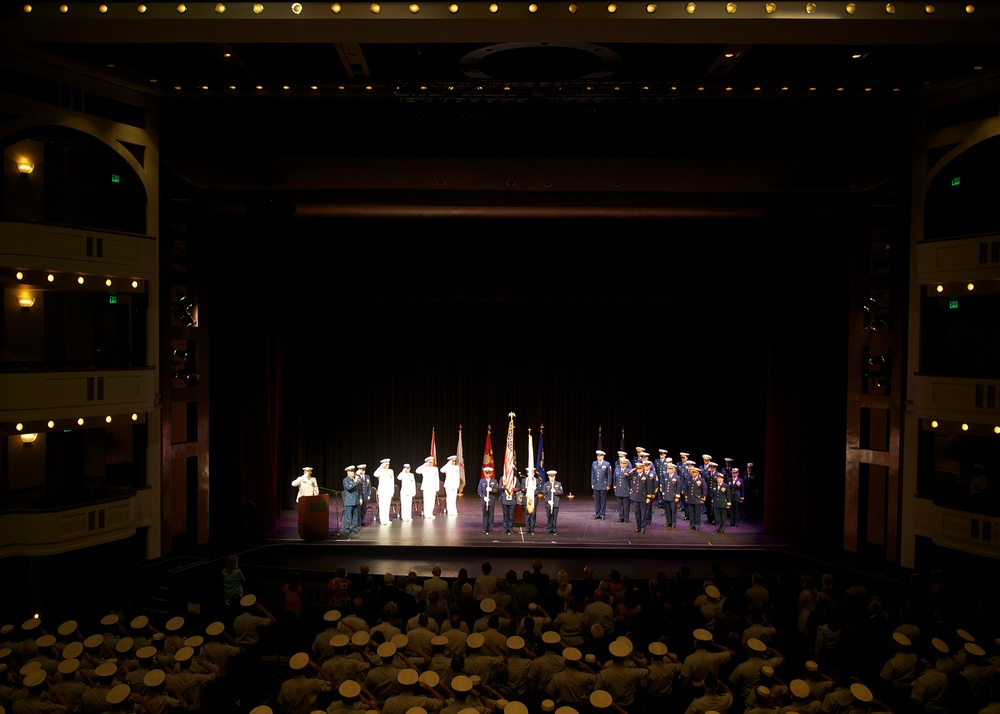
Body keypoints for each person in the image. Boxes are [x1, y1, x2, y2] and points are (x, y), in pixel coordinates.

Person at [591, 449, 613, 520]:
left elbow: (609, 475)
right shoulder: (594, 463)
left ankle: (602, 514)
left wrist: (608, 485)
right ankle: (597, 513)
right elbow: (592, 474)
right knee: (596, 500)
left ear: (603, 456)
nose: (598, 457)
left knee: (603, 500)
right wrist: (592, 483)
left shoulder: (607, 464)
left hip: (603, 485)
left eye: (600, 456)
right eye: (597, 456)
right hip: (596, 484)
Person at [613, 452, 634, 523]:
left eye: (624, 463)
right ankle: (621, 517)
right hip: (619, 489)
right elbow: (615, 479)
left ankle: (626, 518)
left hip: (626, 490)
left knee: (626, 505)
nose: (622, 464)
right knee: (620, 505)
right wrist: (615, 487)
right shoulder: (617, 470)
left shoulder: (628, 471)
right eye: (621, 463)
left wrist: (631, 489)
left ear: (626, 464)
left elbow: (631, 481)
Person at [374, 458, 395, 526]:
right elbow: (375, 474)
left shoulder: (390, 471)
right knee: (382, 506)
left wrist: (392, 491)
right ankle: (382, 520)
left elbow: (392, 482)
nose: (387, 465)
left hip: (388, 491)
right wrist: (381, 467)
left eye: (388, 464)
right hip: (382, 491)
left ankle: (387, 519)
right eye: (386, 464)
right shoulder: (380, 470)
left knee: (387, 506)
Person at [478, 467, 499, 533]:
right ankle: (485, 528)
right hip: (484, 500)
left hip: (491, 500)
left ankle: (490, 528)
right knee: (485, 514)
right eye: (486, 473)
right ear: (484, 474)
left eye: (489, 473)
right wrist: (484, 497)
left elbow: (497, 490)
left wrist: (491, 490)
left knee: (491, 515)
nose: (487, 475)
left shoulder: (494, 481)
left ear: (491, 473)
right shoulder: (482, 481)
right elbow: (479, 491)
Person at [686, 462, 706, 530]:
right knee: (691, 513)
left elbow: (704, 490)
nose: (693, 474)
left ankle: (697, 525)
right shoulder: (689, 479)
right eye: (692, 472)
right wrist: (686, 496)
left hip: (697, 499)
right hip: (691, 498)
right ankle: (691, 525)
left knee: (697, 514)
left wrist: (703, 499)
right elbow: (687, 488)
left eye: (694, 473)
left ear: (697, 473)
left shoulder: (701, 480)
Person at [342, 465, 362, 536]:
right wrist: (355, 481)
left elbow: (358, 490)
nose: (352, 473)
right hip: (349, 501)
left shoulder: (355, 479)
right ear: (347, 472)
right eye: (351, 471)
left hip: (355, 500)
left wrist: (360, 497)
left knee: (355, 516)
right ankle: (346, 529)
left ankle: (354, 528)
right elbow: (348, 488)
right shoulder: (345, 480)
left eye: (353, 471)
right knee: (347, 516)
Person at [542, 470, 563, 534]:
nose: (552, 478)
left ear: (555, 477)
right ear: (548, 477)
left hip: (555, 503)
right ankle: (549, 528)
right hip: (548, 503)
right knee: (549, 516)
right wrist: (548, 501)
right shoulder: (546, 484)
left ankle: (554, 529)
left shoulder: (558, 484)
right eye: (551, 477)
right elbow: (544, 494)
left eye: (553, 476)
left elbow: (561, 492)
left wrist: (555, 492)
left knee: (554, 516)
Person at [661, 461, 681, 528]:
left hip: (673, 496)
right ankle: (668, 522)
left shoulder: (677, 477)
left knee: (673, 510)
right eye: (669, 469)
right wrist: (663, 494)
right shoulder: (666, 476)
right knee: (667, 511)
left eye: (671, 469)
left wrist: (677, 496)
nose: (669, 470)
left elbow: (678, 487)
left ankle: (673, 523)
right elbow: (664, 485)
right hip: (667, 496)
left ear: (674, 469)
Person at [499, 470, 520, 535]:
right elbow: (500, 487)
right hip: (504, 499)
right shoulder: (503, 478)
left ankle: (510, 529)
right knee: (505, 515)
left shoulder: (515, 479)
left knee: (511, 515)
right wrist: (506, 487)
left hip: (512, 499)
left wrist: (513, 489)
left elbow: (519, 487)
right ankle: (505, 528)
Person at [712, 470, 731, 534]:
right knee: (717, 517)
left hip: (723, 503)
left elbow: (728, 495)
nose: (718, 479)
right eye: (718, 478)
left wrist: (728, 503)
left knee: (723, 517)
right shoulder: (714, 485)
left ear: (722, 479)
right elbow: (713, 494)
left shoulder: (726, 486)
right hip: (716, 503)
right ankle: (718, 528)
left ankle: (722, 528)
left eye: (720, 478)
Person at [523, 469, 541, 535]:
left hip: (534, 499)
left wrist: (533, 492)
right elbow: (522, 489)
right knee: (527, 514)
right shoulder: (524, 480)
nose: (531, 474)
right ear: (527, 473)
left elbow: (539, 490)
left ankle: (532, 528)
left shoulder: (537, 480)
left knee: (533, 514)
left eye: (532, 473)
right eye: (529, 472)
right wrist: (528, 490)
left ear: (534, 473)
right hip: (526, 499)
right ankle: (527, 528)